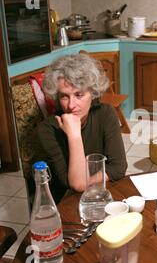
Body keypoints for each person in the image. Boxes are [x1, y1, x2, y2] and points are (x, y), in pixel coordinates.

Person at [38, 53, 127, 203]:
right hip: (66, 203)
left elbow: (118, 167)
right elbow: (76, 184)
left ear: (92, 93)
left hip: (100, 194)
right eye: (64, 96)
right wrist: (74, 136)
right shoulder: (47, 129)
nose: (71, 105)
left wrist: (88, 180)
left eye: (79, 95)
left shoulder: (105, 113)